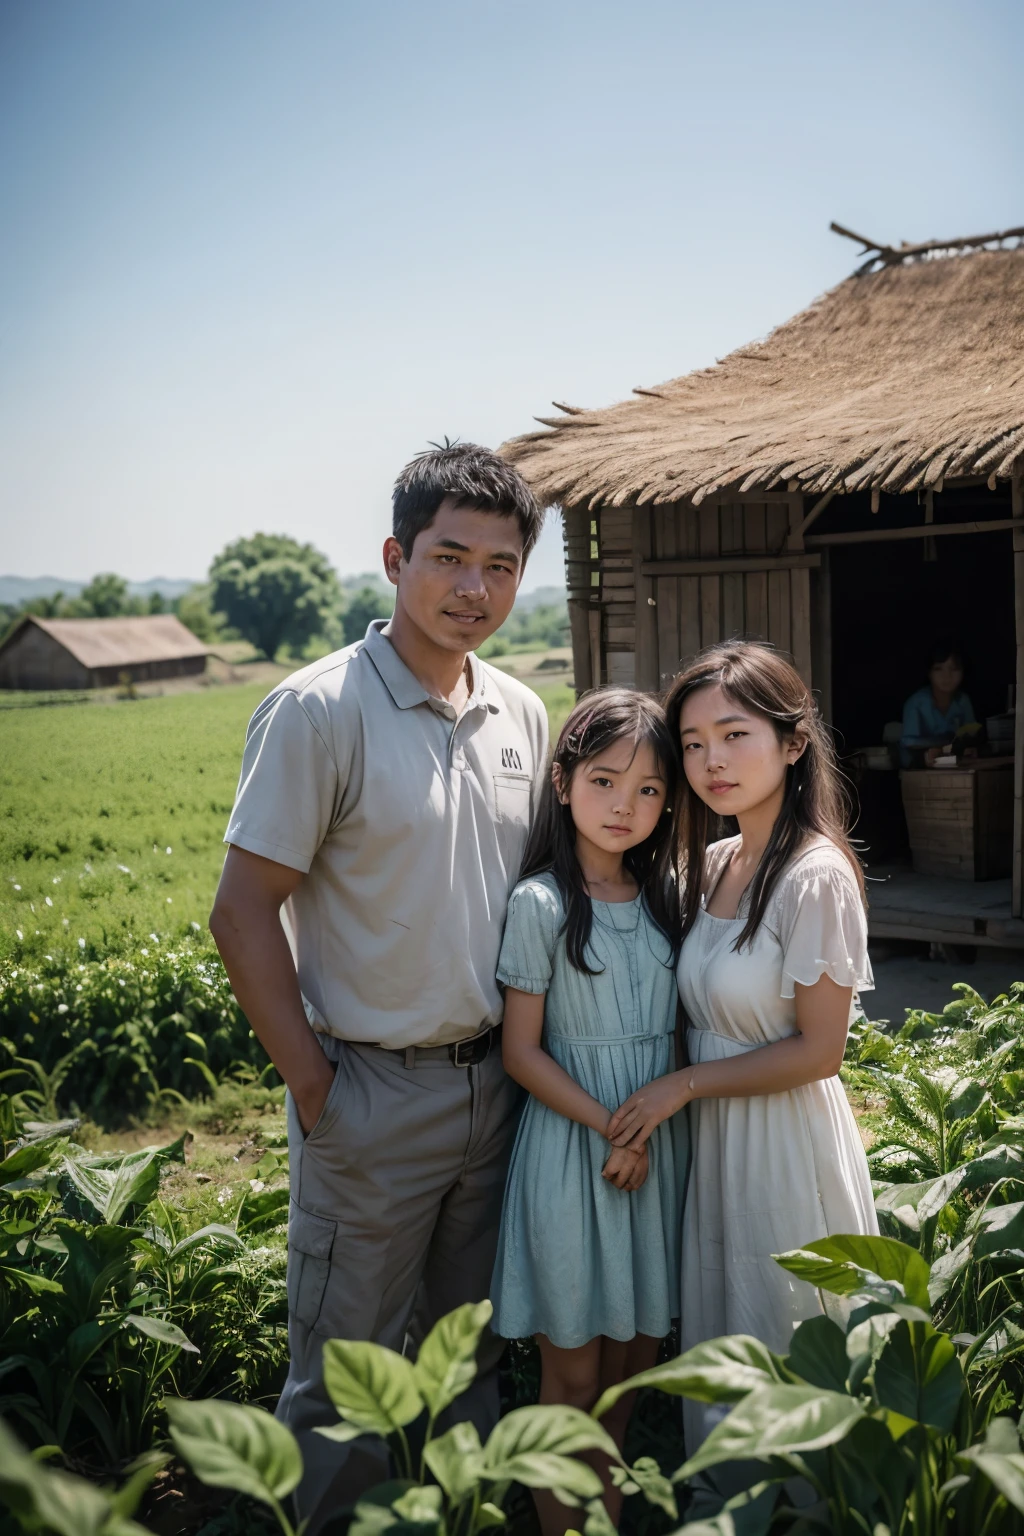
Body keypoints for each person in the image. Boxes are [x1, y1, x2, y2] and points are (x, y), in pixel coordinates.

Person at [209, 442, 548, 1530]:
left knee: (471, 1366)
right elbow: (242, 911)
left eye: (500, 567)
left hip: (494, 1090)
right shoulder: (318, 711)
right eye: (448, 557)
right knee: (341, 1389)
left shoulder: (522, 716)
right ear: (396, 557)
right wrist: (317, 1090)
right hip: (368, 1093)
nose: (472, 589)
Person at [606, 641, 877, 1458]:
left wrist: (680, 1087)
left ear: (793, 743)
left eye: (734, 735)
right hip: (718, 1137)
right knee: (729, 1332)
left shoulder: (814, 875)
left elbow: (820, 1052)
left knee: (785, 1328)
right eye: (691, 743)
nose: (710, 761)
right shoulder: (719, 860)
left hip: (781, 1138)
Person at [490, 689, 687, 1536]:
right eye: (605, 782)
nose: (625, 806)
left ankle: (598, 1520)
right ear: (563, 782)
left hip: (653, 1159)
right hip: (579, 1155)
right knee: (569, 1381)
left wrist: (646, 1131)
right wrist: (618, 1128)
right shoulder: (541, 904)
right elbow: (521, 1052)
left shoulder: (666, 897)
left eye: (648, 790)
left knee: (625, 1377)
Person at [900, 641, 976, 766]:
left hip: (955, 766)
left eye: (954, 669)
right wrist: (942, 745)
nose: (947, 676)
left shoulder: (962, 700)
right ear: (929, 673)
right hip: (916, 767)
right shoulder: (917, 702)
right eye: (938, 669)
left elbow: (971, 734)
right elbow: (909, 742)